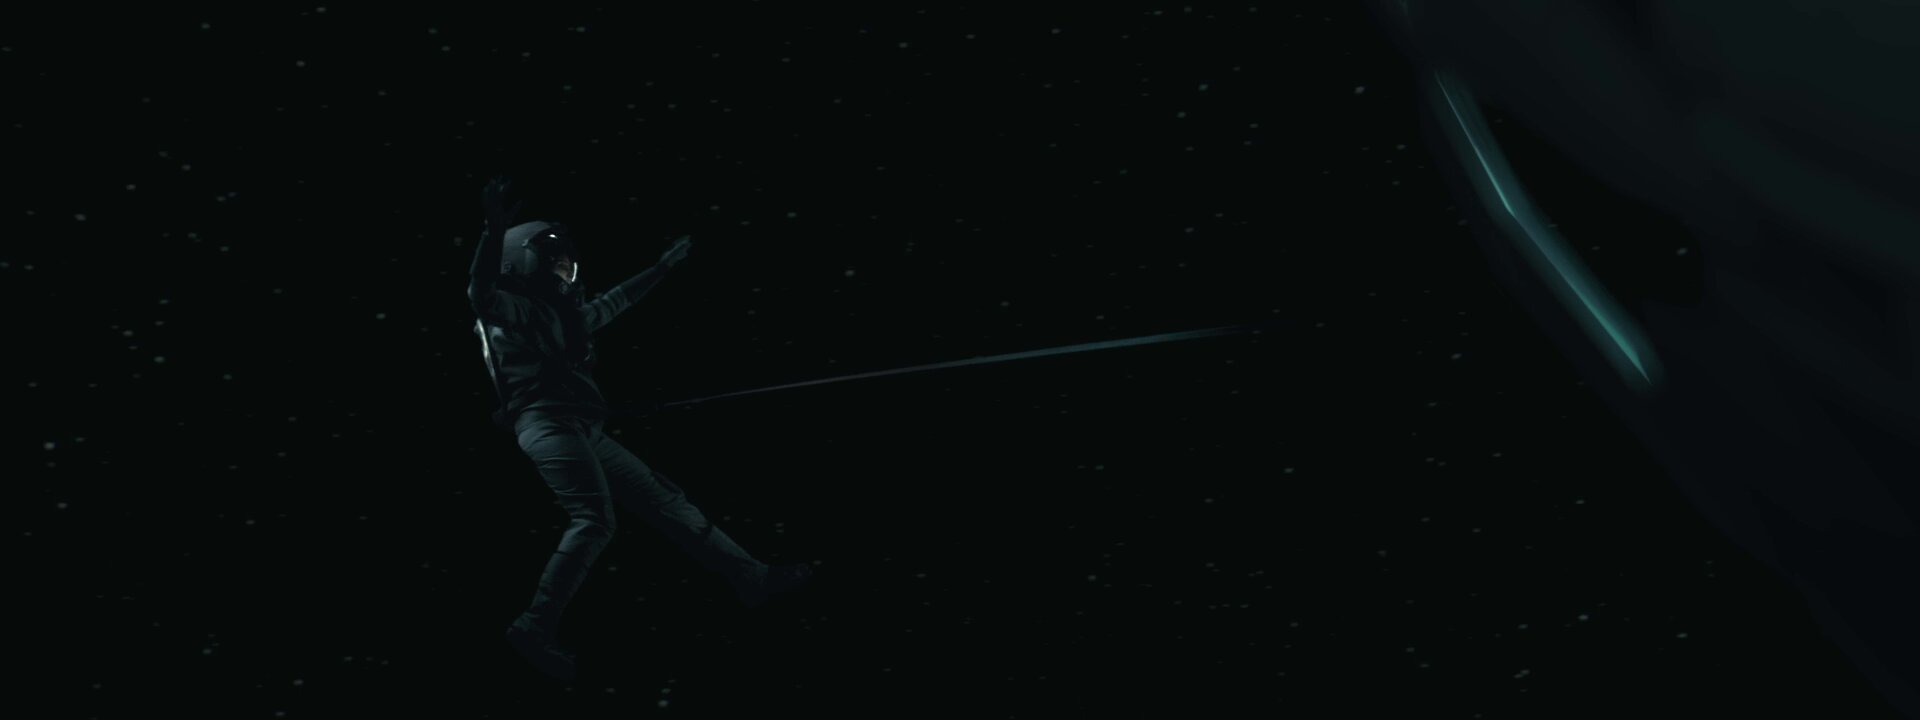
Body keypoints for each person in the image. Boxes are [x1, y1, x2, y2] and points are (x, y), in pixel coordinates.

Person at [468, 177, 813, 682]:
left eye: (565, 261)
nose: (563, 269)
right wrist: (493, 231)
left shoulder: (558, 316)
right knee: (594, 520)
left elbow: (613, 302)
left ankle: (751, 575)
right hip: (547, 426)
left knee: (664, 498)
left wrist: (661, 268)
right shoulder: (511, 310)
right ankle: (532, 627)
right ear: (523, 263)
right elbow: (480, 291)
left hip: (577, 427)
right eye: (553, 261)